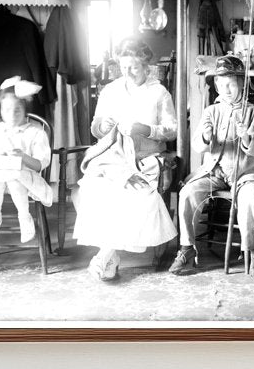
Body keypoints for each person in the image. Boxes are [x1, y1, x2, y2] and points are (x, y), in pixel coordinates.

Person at [73, 37, 177, 281]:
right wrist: (102, 125)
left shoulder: (159, 92)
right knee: (96, 190)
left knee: (139, 195)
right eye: (124, 67)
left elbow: (172, 130)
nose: (128, 72)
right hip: (114, 156)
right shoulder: (110, 90)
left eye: (134, 67)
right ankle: (110, 256)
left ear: (146, 66)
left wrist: (145, 129)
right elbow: (95, 129)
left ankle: (105, 256)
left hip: (146, 156)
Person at [170, 55, 254, 277]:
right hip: (214, 173)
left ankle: (252, 252)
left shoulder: (252, 112)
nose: (227, 89)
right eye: (221, 84)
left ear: (242, 84)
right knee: (187, 193)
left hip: (243, 174)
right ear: (216, 86)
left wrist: (245, 137)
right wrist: (205, 137)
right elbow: (197, 146)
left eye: (232, 84)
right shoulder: (211, 111)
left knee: (251, 199)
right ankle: (186, 249)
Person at [0, 77, 53, 244]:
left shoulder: (35, 132)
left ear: (25, 110)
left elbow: (41, 164)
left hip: (27, 178)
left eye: (17, 110)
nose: (12, 115)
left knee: (14, 179)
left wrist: (23, 157)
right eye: (6, 110)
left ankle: (24, 217)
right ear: (1, 110)